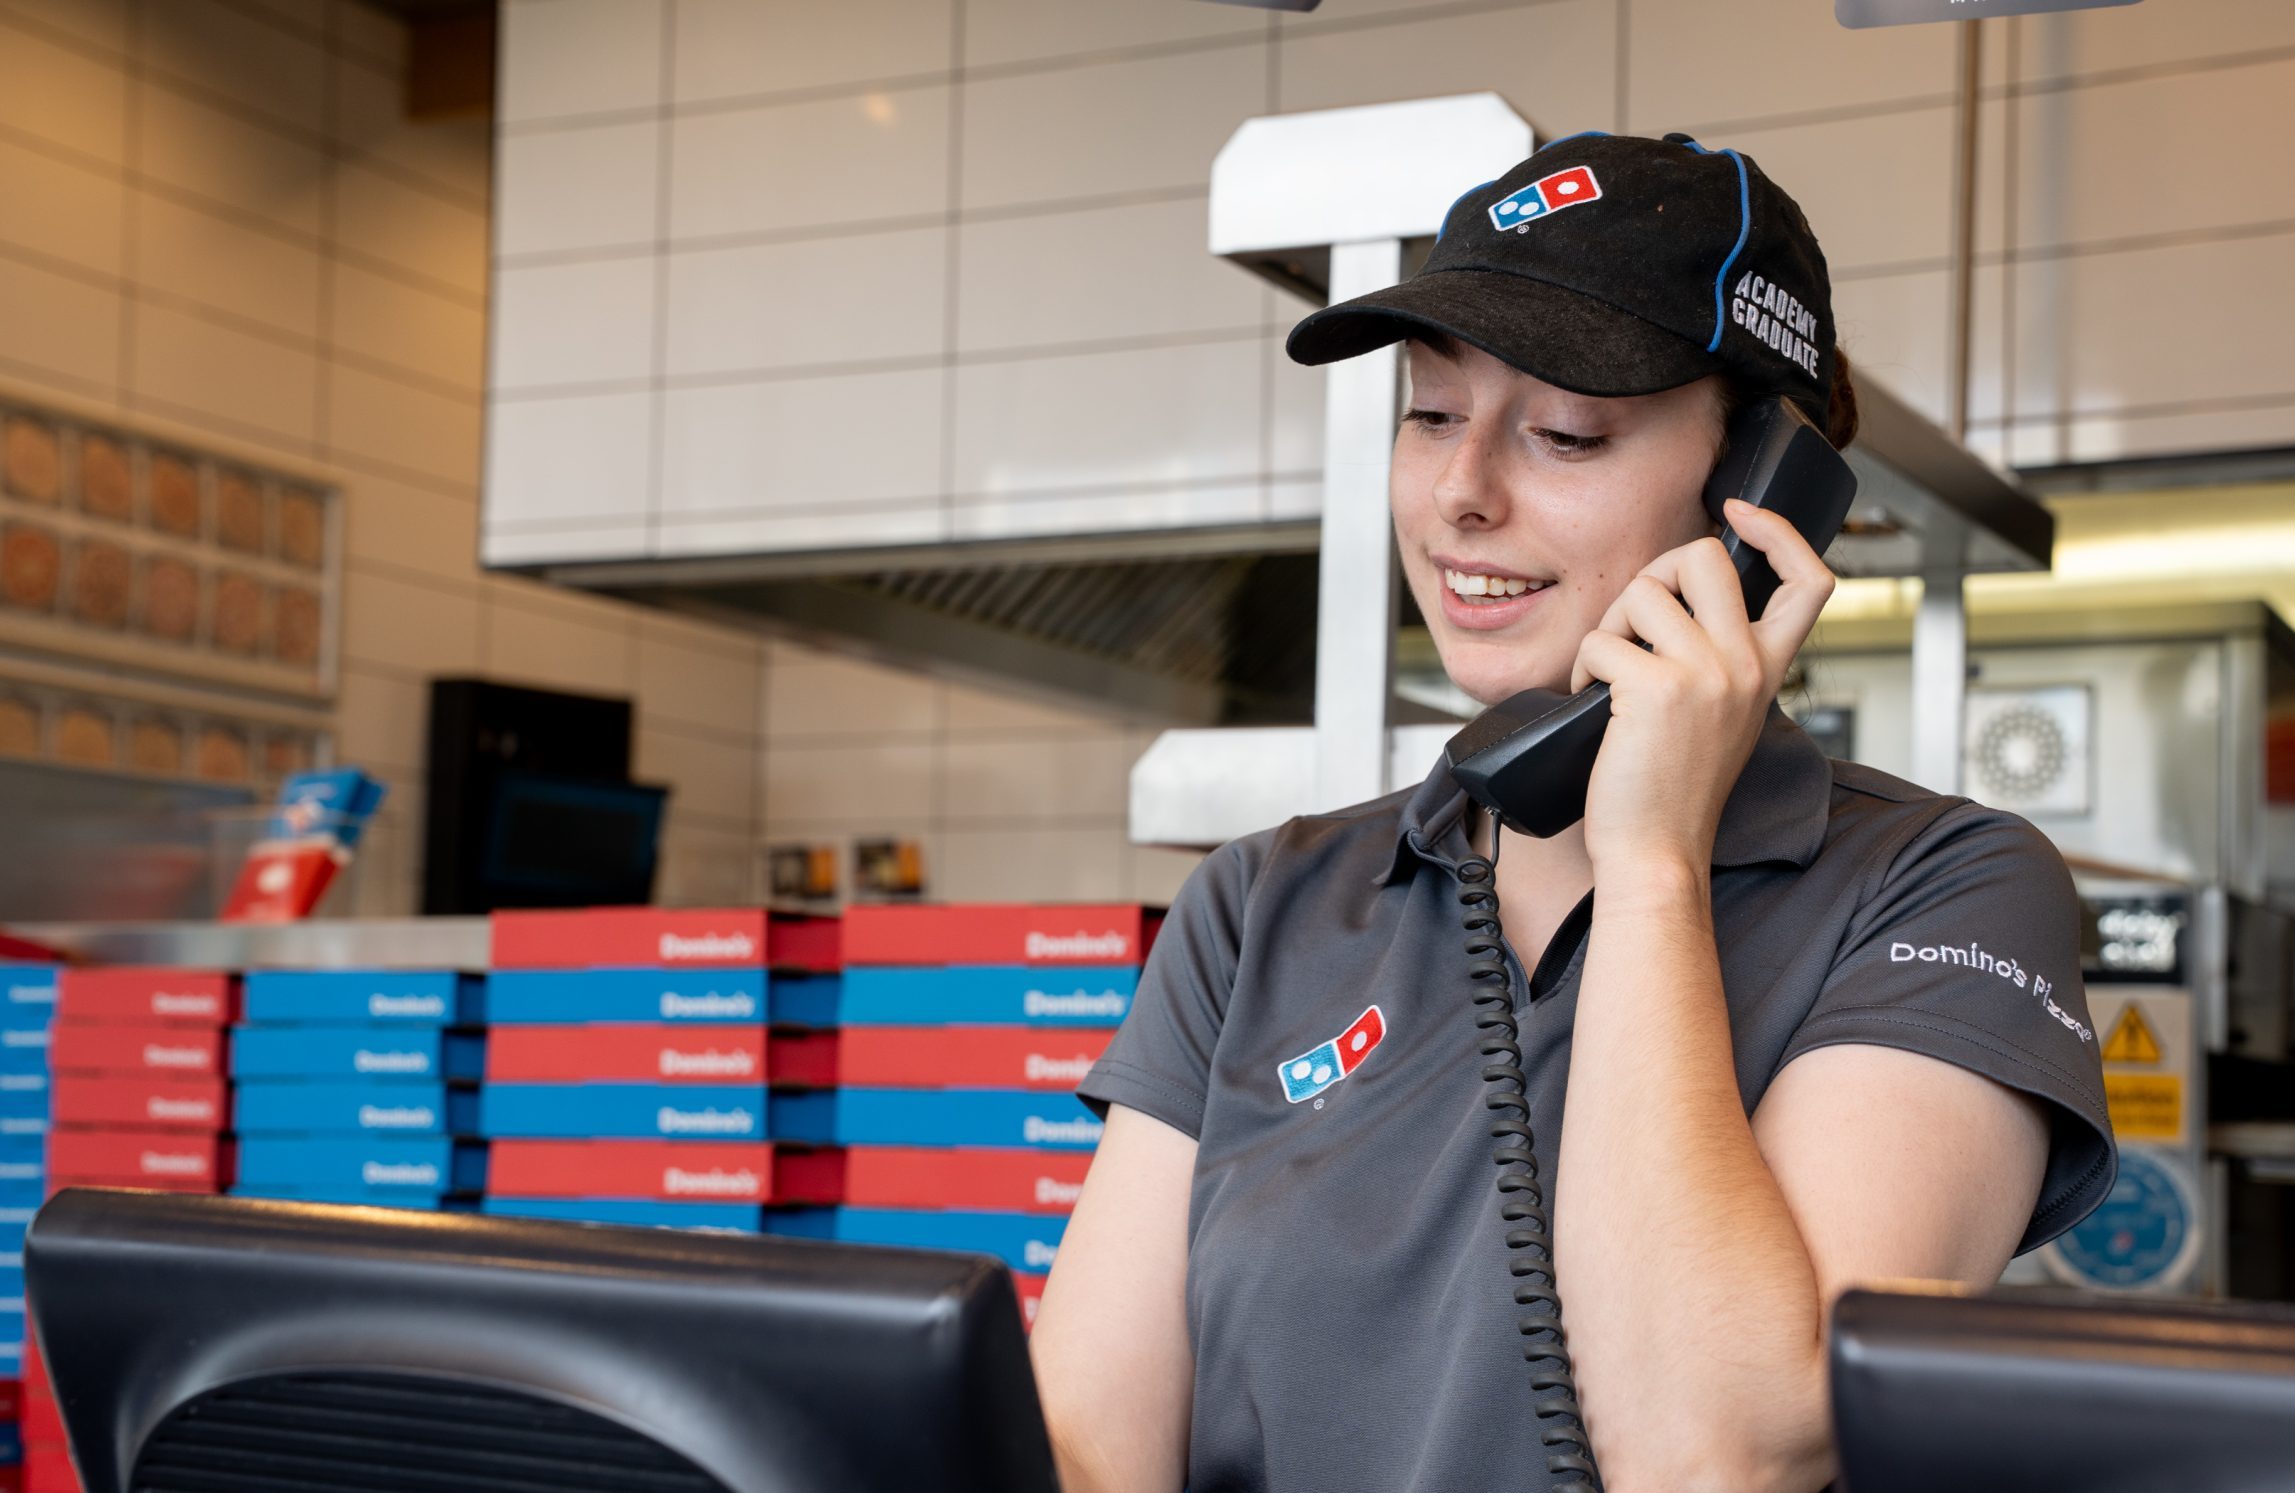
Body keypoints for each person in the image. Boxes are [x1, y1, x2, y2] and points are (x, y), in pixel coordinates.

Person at [1028, 133, 2114, 1493]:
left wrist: (1652, 860)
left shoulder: (1944, 888)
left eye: (1565, 432)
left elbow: (1716, 1450)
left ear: (1768, 493)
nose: (1462, 492)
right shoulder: (1260, 906)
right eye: (1430, 414)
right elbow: (1084, 1444)